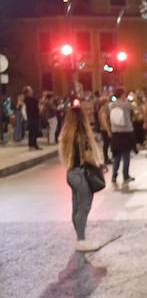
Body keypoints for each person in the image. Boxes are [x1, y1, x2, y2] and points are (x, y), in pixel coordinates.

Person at [58, 99, 104, 252]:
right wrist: (99, 164)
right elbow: (87, 155)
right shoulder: (82, 133)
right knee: (84, 207)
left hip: (71, 173)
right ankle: (81, 239)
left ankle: (79, 236)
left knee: (76, 207)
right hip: (82, 174)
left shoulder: (67, 133)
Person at [108, 88, 137, 185]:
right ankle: (125, 175)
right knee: (126, 155)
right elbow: (136, 109)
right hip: (126, 132)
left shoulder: (111, 105)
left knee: (117, 156)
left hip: (115, 132)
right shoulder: (126, 105)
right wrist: (133, 100)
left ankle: (114, 176)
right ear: (123, 94)